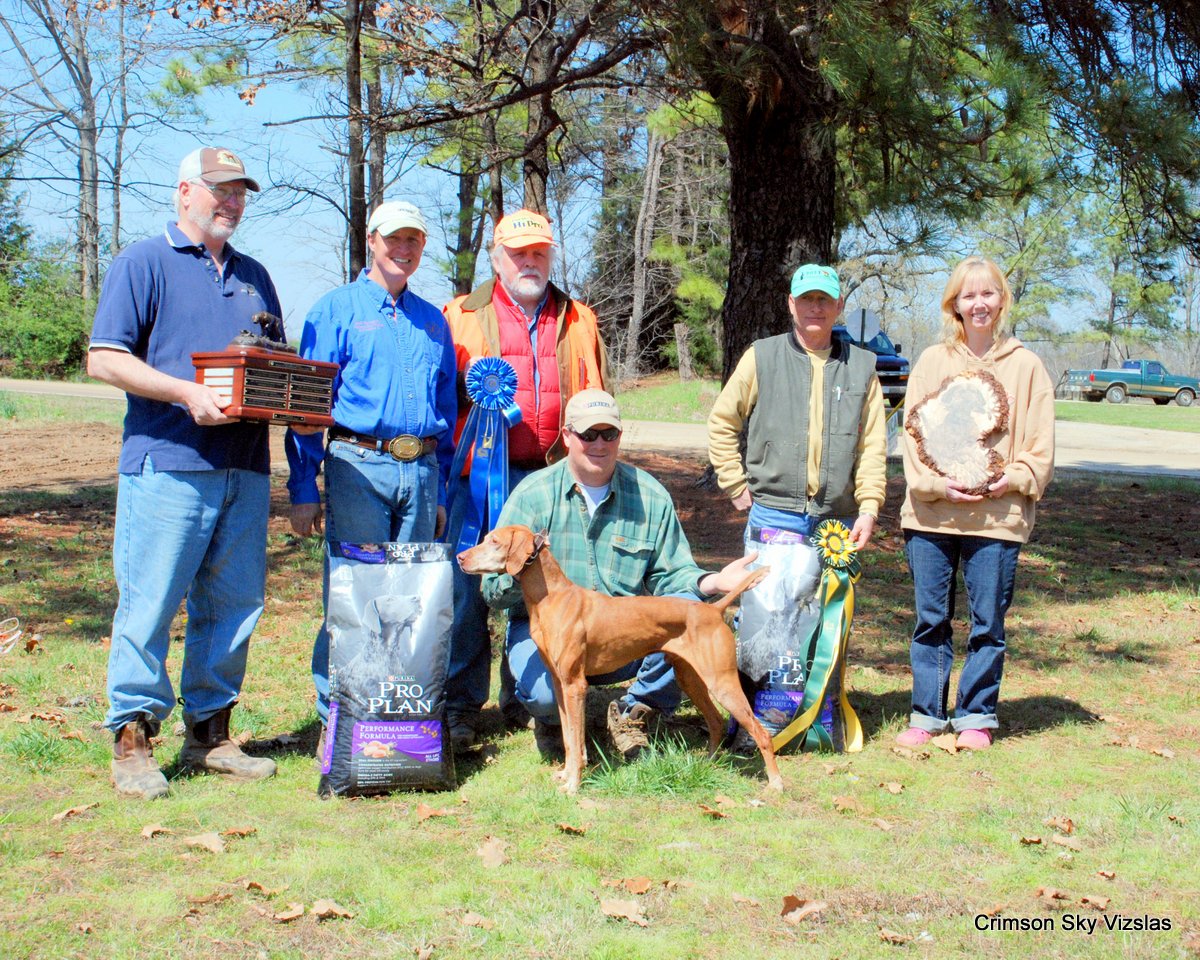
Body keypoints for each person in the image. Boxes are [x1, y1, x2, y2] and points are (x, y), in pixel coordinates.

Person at [88, 146, 281, 799]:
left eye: (240, 193)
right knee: (152, 601)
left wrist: (297, 402)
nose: (231, 203)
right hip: (168, 462)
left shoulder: (255, 275)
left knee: (233, 606)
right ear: (184, 193)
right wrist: (184, 392)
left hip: (246, 468)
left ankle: (210, 736)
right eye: (220, 190)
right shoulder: (144, 262)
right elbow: (105, 358)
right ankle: (133, 741)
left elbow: (271, 364)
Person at [480, 389, 758, 759]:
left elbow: (673, 577)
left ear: (619, 437)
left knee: (688, 609)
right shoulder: (532, 495)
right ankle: (549, 717)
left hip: (618, 632)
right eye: (587, 434)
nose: (599, 443)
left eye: (608, 434)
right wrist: (523, 571)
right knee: (546, 693)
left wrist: (714, 582)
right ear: (566, 436)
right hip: (545, 630)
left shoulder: (650, 494)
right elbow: (492, 591)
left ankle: (636, 712)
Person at [286, 199, 457, 730]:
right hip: (357, 465)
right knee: (355, 593)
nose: (403, 250)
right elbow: (307, 408)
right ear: (371, 240)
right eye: (394, 239)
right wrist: (302, 485)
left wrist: (442, 493)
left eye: (414, 241)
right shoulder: (334, 310)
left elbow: (447, 408)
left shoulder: (434, 321)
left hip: (421, 472)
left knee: (409, 598)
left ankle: (397, 710)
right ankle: (337, 718)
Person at [442, 209, 607, 750]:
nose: (529, 261)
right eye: (518, 253)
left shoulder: (579, 317)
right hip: (480, 473)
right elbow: (444, 401)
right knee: (469, 587)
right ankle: (461, 706)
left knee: (539, 582)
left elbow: (596, 395)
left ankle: (526, 697)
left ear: (551, 255)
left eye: (539, 252)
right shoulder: (460, 315)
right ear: (496, 257)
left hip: (551, 474)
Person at [897, 256, 1054, 751]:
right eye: (969, 295)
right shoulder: (931, 362)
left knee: (988, 623)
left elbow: (1041, 448)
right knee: (931, 620)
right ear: (955, 305)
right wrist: (935, 487)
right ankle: (927, 713)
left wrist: (1011, 478)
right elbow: (912, 435)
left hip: (997, 518)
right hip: (932, 514)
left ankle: (976, 717)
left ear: (1001, 300)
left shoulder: (1027, 366)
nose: (979, 303)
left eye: (988, 293)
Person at [708, 262, 887, 546]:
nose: (815, 307)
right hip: (774, 515)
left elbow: (873, 446)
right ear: (791, 304)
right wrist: (733, 483)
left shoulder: (862, 367)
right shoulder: (762, 356)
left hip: (839, 520)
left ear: (839, 305)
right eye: (806, 298)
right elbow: (721, 421)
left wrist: (869, 508)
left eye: (824, 299)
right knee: (767, 593)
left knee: (831, 594)